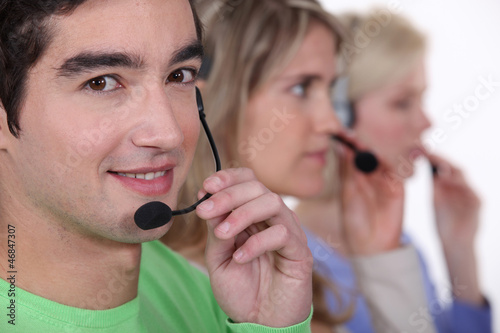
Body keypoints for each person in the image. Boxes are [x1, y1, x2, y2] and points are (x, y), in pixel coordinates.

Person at [0, 0, 315, 332]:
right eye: (102, 83)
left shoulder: (199, 288)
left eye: (178, 75)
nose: (169, 133)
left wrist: (267, 324)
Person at [163, 1, 435, 332]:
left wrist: (382, 258)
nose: (332, 123)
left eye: (330, 90)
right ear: (202, 102)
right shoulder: (161, 285)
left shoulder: (284, 256)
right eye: (301, 87)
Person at [295, 11, 493, 333]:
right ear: (338, 115)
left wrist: (460, 250)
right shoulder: (290, 261)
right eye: (403, 103)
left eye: (422, 99)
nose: (427, 122)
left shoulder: (401, 246)